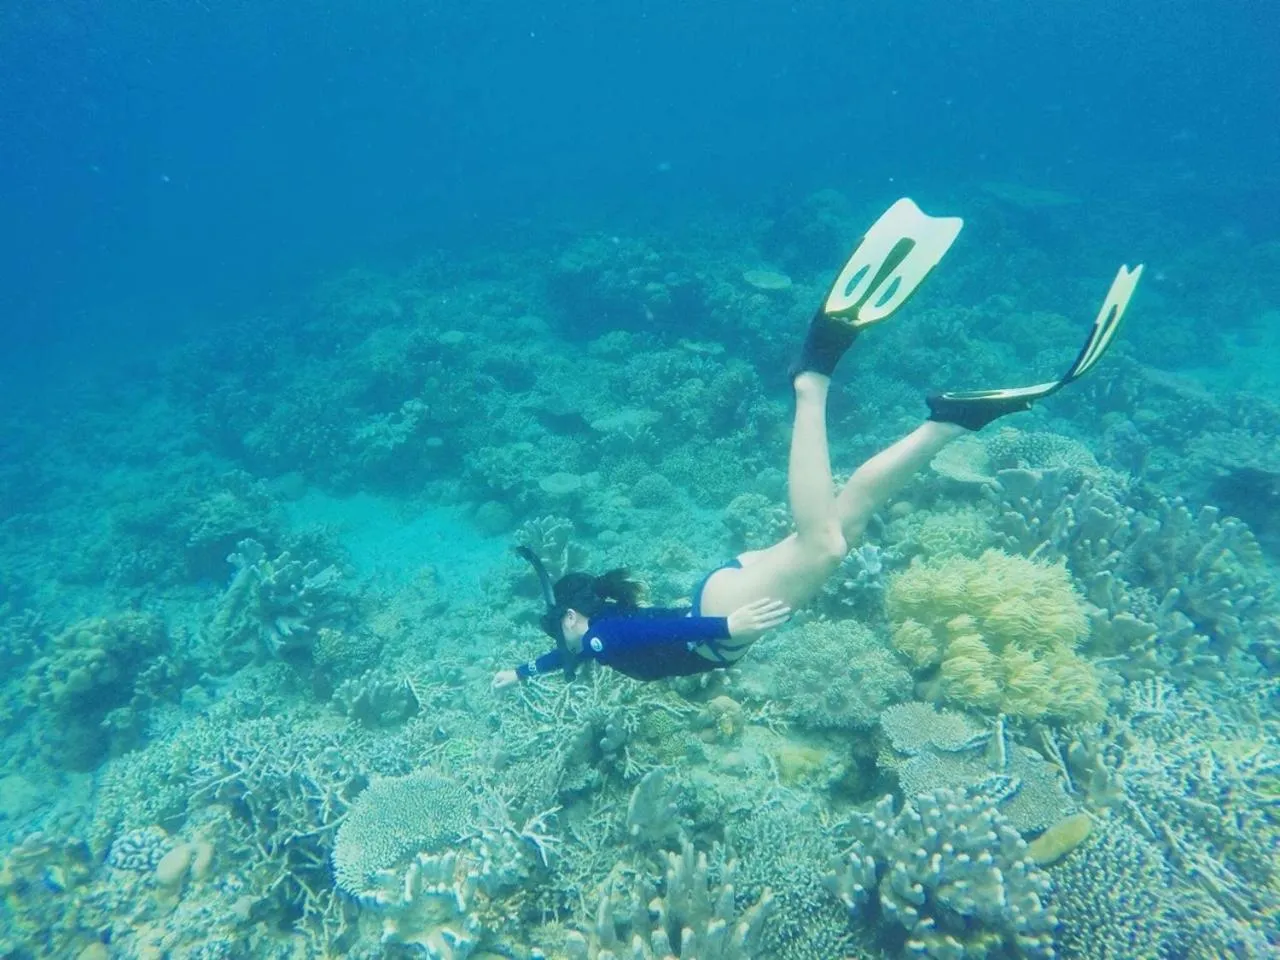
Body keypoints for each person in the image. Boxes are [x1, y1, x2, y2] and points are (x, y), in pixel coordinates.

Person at [492, 198, 1143, 690]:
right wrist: (520, 672)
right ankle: (948, 424)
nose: (568, 641)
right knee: (848, 520)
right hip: (722, 591)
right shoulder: (587, 637)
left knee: (824, 543)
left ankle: (812, 378)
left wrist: (723, 630)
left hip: (723, 615)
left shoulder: (602, 641)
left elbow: (645, 633)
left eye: (565, 631)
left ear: (579, 621)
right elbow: (568, 652)